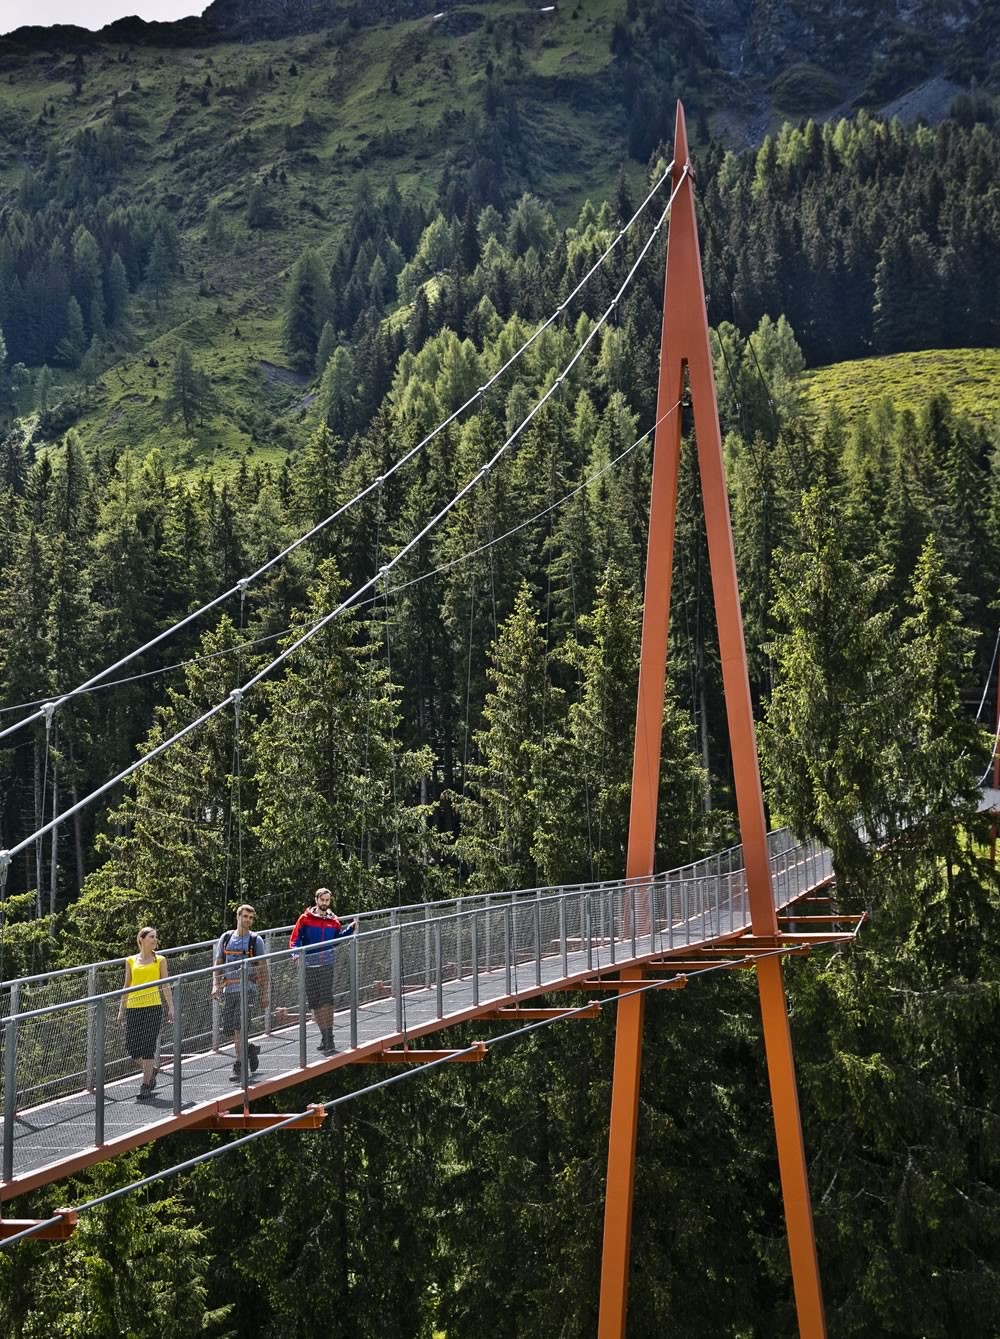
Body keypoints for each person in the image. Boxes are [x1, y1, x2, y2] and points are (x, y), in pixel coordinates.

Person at [289, 888, 357, 1054]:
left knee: (327, 1000)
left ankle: (330, 1037)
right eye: (322, 900)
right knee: (315, 1003)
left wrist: (349, 931)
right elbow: (295, 939)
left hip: (327, 964)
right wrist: (296, 954)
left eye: (327, 900)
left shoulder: (334, 920)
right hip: (309, 965)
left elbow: (334, 941)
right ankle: (324, 1035)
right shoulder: (304, 919)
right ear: (316, 899)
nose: (325, 903)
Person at [213, 904, 269, 1083]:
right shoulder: (226, 937)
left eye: (251, 918)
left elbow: (263, 968)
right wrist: (215, 984)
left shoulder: (256, 940)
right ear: (238, 917)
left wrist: (264, 993)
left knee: (239, 1027)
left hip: (248, 990)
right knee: (229, 1029)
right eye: (245, 917)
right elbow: (219, 963)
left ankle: (239, 1065)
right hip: (230, 989)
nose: (248, 921)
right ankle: (250, 1048)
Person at [118, 926, 174, 1101]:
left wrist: (170, 1006)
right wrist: (121, 1009)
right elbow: (127, 986)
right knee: (132, 1047)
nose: (154, 940)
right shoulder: (130, 960)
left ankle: (145, 1084)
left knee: (148, 1046)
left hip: (153, 1007)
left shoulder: (160, 960)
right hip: (134, 1007)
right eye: (151, 936)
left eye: (155, 937)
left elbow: (165, 984)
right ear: (141, 939)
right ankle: (151, 1071)